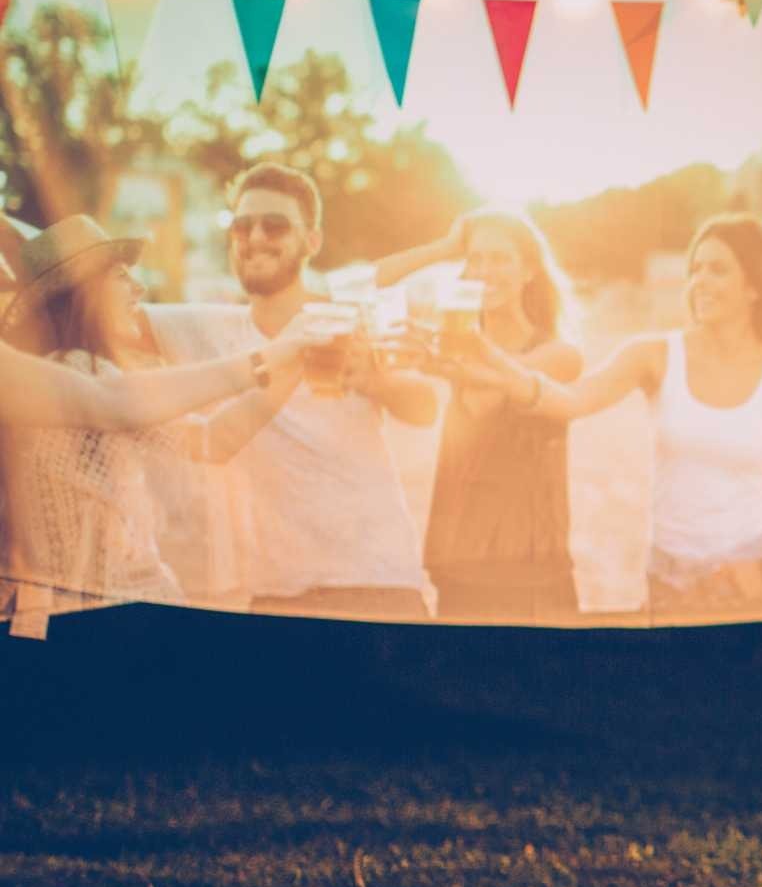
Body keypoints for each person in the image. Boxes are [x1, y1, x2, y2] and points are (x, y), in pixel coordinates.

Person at [452, 214, 762, 616]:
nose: (699, 282)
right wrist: (494, 362)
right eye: (696, 269)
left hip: (752, 593)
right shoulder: (654, 355)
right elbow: (571, 401)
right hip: (667, 588)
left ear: (755, 287)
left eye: (718, 270)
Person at [0, 216, 315, 613]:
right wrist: (275, 357)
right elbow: (124, 405)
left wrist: (295, 361)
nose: (139, 288)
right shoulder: (78, 371)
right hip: (104, 624)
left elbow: (213, 440)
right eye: (120, 276)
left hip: (105, 618)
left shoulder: (86, 374)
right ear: (83, 292)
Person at [184, 164, 437, 620]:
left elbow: (424, 406)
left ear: (312, 241)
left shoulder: (351, 317)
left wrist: (372, 380)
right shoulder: (209, 327)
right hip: (275, 594)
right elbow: (112, 315)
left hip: (376, 585)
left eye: (275, 225)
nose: (255, 236)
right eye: (242, 225)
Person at [375, 210, 582, 622]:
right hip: (457, 567)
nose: (486, 271)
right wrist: (446, 247)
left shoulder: (560, 355)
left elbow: (491, 392)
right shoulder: (453, 348)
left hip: (531, 578)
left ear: (530, 270)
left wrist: (449, 357)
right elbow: (374, 283)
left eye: (501, 259)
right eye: (476, 259)